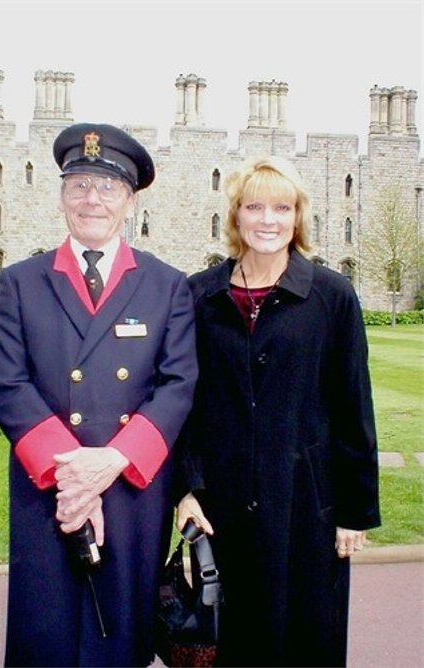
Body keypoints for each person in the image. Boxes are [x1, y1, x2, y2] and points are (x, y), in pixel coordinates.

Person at [0, 122, 198, 667]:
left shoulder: (166, 285)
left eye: (107, 188)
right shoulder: (21, 282)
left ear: (129, 200)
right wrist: (73, 476)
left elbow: (178, 384)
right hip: (47, 491)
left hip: (129, 489)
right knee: (47, 632)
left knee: (118, 639)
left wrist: (111, 462)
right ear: (61, 195)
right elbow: (8, 384)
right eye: (79, 184)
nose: (92, 199)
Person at [175, 156, 380, 667]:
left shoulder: (331, 296)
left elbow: (353, 405)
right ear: (236, 217)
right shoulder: (200, 295)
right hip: (221, 505)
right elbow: (183, 404)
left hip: (306, 504)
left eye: (281, 208)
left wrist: (353, 512)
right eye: (255, 207)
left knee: (305, 638)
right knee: (232, 641)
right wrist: (184, 490)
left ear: (298, 218)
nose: (268, 220)